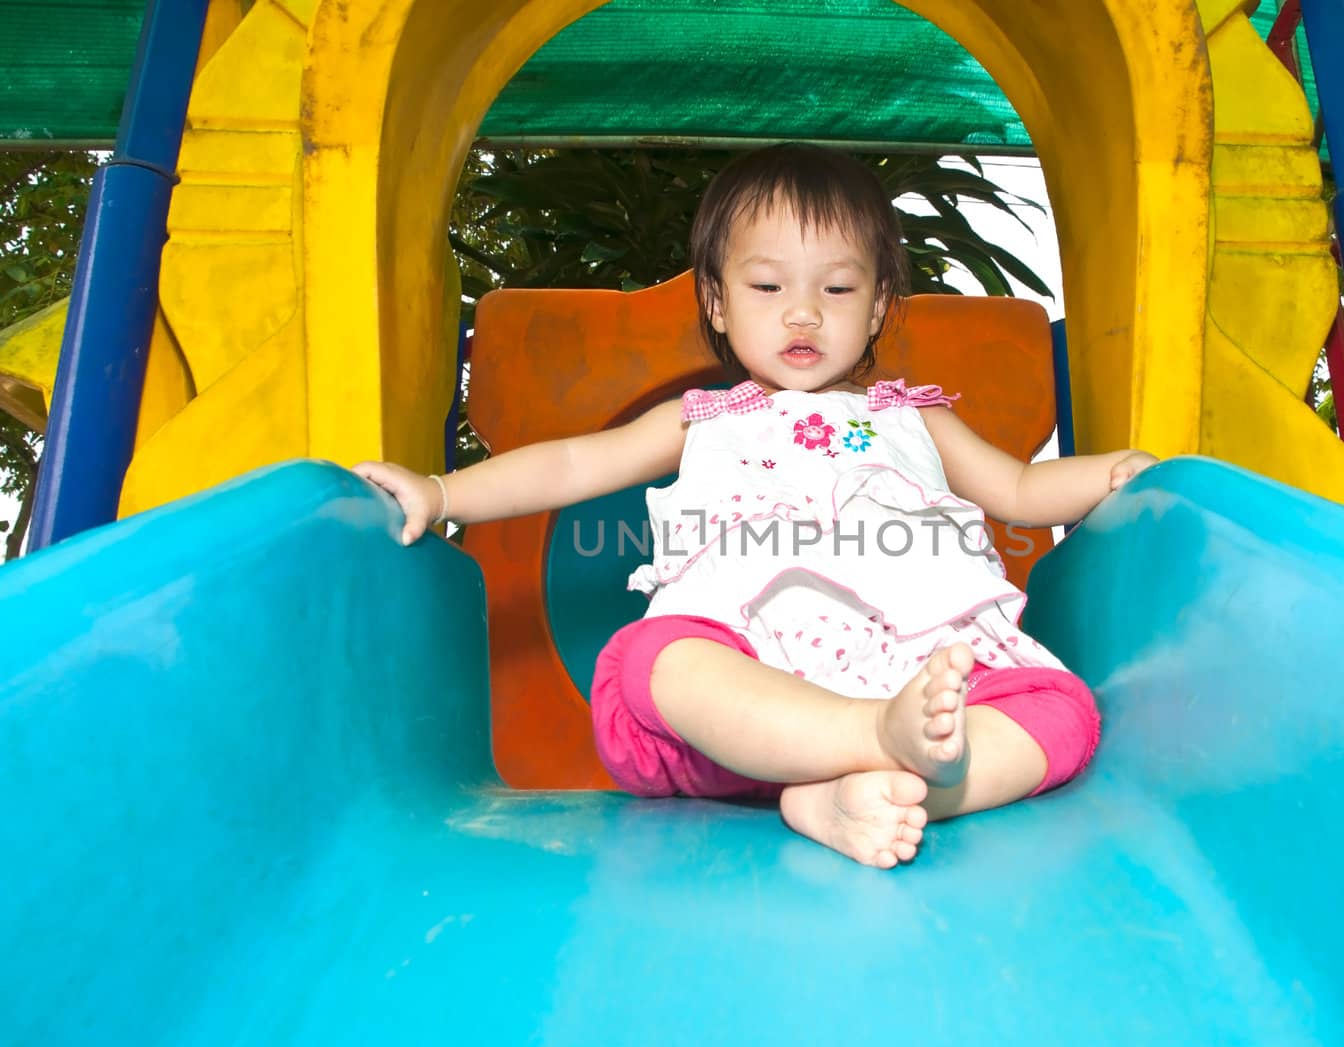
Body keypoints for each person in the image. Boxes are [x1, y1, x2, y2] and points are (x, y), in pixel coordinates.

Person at [356, 143, 1157, 869]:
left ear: (877, 307)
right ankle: (867, 746)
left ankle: (867, 793)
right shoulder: (705, 417)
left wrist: (1116, 476)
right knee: (655, 665)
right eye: (768, 285)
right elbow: (573, 461)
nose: (802, 311)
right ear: (717, 300)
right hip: (747, 715)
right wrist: (442, 490)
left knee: (1062, 715)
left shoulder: (911, 415)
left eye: (837, 287)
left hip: (912, 669)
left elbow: (1017, 488)